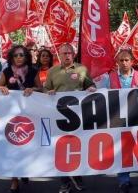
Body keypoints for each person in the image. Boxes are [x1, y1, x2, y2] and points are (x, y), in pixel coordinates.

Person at [45, 44, 94, 193]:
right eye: (63, 53)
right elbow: (45, 89)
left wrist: (91, 87)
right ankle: (64, 181)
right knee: (61, 148)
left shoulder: (81, 69)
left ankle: (78, 176)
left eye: (69, 53)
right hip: (59, 115)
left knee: (78, 146)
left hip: (78, 115)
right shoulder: (52, 71)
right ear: (59, 55)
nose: (66, 55)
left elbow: (90, 84)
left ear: (73, 54)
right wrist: (49, 91)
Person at [0, 45, 42, 193]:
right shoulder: (6, 71)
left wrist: (33, 89)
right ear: (11, 57)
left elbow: (41, 89)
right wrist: (1, 88)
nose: (18, 58)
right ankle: (14, 180)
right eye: (16, 55)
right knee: (13, 145)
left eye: (21, 55)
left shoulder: (34, 71)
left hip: (29, 114)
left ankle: (24, 170)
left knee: (27, 145)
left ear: (26, 57)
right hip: (11, 115)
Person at [108, 49, 138, 193]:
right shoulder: (110, 77)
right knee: (121, 149)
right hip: (117, 119)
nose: (124, 63)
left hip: (134, 119)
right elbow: (101, 94)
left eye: (127, 60)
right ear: (117, 62)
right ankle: (123, 180)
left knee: (132, 149)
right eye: (121, 60)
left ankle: (127, 176)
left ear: (132, 62)